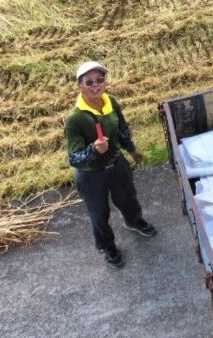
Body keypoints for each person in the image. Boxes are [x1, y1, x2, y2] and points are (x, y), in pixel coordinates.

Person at [64, 61, 157, 270]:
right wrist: (93, 150)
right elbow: (74, 158)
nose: (96, 85)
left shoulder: (111, 102)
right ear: (80, 86)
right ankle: (108, 246)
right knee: (99, 214)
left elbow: (122, 129)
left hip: (116, 165)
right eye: (89, 82)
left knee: (128, 199)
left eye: (100, 80)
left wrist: (132, 150)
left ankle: (134, 222)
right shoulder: (75, 119)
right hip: (91, 175)